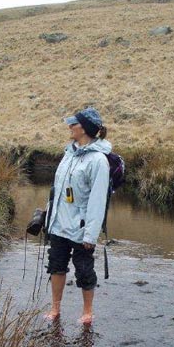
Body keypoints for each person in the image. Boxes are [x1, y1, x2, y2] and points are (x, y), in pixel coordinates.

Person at [45, 107, 111, 325]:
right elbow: (58, 190)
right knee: (56, 265)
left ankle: (87, 313)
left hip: (81, 228)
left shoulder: (98, 161)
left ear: (84, 129)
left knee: (84, 270)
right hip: (58, 224)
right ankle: (55, 309)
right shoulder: (68, 153)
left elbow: (98, 200)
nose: (69, 127)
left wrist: (91, 235)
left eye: (73, 124)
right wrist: (48, 219)